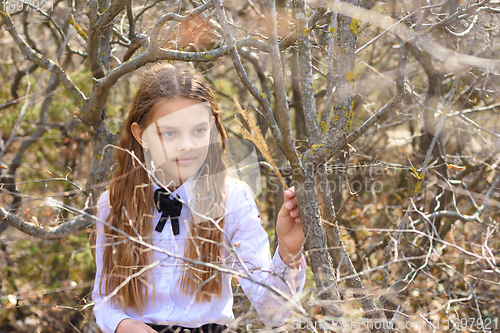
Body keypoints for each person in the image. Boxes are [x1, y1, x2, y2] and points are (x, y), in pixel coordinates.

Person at [92, 63, 306, 333]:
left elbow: (273, 314)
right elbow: (105, 297)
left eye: (199, 130)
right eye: (169, 132)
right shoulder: (114, 204)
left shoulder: (232, 201)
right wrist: (123, 325)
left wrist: (288, 249)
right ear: (141, 135)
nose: (187, 145)